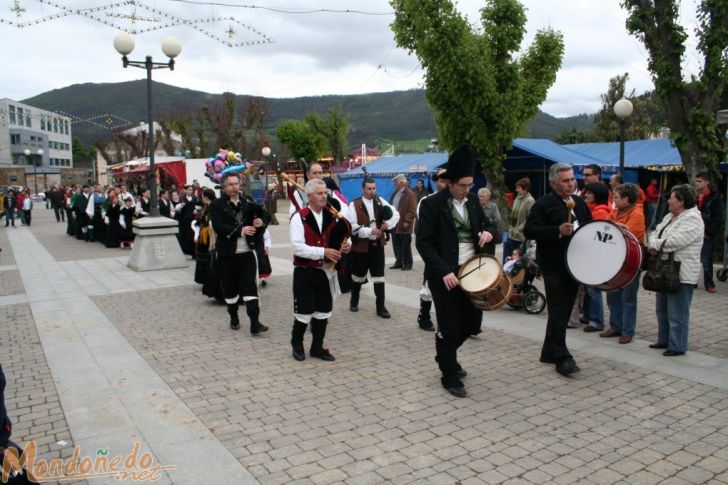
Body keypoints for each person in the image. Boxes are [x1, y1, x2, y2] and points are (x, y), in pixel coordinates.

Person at [416, 146, 500, 398]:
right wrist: (443, 271)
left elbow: (490, 227)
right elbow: (424, 243)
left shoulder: (474, 201)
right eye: (463, 185)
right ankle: (449, 374)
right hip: (446, 277)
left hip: (473, 273)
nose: (468, 190)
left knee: (472, 324)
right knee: (450, 327)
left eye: (471, 185)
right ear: (450, 183)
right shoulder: (431, 205)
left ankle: (445, 353)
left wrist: (489, 233)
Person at [524, 163, 592, 377]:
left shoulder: (579, 203)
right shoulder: (544, 204)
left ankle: (548, 351)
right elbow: (529, 229)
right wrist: (557, 230)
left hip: (574, 265)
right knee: (558, 310)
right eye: (565, 180)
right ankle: (562, 356)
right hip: (553, 266)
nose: (571, 183)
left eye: (573, 179)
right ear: (554, 183)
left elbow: (590, 226)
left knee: (562, 310)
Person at [290, 178, 352, 362]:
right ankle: (297, 343)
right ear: (309, 196)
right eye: (320, 193)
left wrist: (346, 245)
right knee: (304, 312)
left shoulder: (333, 216)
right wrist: (323, 252)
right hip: (305, 271)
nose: (324, 196)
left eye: (325, 192)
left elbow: (344, 236)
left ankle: (317, 347)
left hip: (326, 272)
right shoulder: (299, 217)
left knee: (323, 311)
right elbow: (297, 247)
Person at [210, 172, 271, 335]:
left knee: (250, 288)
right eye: (230, 184)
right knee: (230, 289)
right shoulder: (216, 205)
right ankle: (234, 317)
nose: (234, 187)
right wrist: (240, 230)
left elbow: (266, 214)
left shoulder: (248, 202)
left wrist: (261, 221)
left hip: (247, 254)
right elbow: (219, 227)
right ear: (224, 187)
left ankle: (254, 323)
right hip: (227, 255)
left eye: (236, 184)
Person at [648, 184, 704, 356]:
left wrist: (655, 244)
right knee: (662, 309)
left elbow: (675, 241)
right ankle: (663, 340)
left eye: (672, 197)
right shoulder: (669, 216)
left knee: (677, 312)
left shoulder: (693, 219)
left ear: (681, 201)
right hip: (664, 269)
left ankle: (677, 346)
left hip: (682, 273)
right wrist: (654, 241)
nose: (669, 200)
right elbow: (654, 232)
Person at [347, 178, 400, 318]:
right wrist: (369, 231)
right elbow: (351, 226)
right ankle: (354, 300)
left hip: (377, 245)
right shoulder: (354, 204)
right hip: (360, 246)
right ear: (362, 189)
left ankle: (381, 307)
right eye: (369, 188)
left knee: (379, 277)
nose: (372, 191)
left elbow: (395, 214)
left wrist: (388, 224)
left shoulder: (380, 201)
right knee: (358, 276)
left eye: (374, 188)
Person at [601, 183, 646, 344]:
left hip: (630, 263)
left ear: (626, 199)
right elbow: (604, 228)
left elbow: (629, 236)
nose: (613, 200)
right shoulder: (614, 212)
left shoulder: (637, 214)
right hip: (613, 260)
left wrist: (616, 227)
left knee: (628, 298)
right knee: (612, 295)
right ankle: (615, 326)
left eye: (617, 197)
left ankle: (627, 331)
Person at [415, 168, 448, 332]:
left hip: (454, 252)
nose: (446, 184)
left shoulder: (457, 201)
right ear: (436, 182)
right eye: (442, 180)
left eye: (448, 180)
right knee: (429, 284)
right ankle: (424, 316)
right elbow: (423, 229)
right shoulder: (427, 201)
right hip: (435, 251)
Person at [580, 182, 611, 333]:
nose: (586, 195)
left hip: (595, 255)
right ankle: (588, 315)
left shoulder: (600, 212)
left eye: (590, 193)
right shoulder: (592, 210)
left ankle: (596, 320)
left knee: (593, 289)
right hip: (589, 254)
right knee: (588, 288)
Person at [695, 172, 723, 293]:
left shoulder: (714, 198)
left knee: (707, 260)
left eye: (700, 181)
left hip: (707, 233)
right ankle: (692, 282)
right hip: (694, 232)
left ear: (707, 182)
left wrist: (710, 232)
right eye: (696, 181)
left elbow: (718, 218)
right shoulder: (693, 196)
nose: (697, 183)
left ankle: (709, 284)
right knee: (693, 258)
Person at [389, 174, 417, 271]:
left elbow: (413, 210)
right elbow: (390, 205)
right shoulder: (395, 193)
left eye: (395, 182)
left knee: (405, 245)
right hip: (395, 223)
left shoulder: (410, 193)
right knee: (396, 244)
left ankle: (408, 263)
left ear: (401, 182)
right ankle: (399, 262)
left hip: (404, 223)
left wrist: (407, 220)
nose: (394, 184)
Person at [504, 178, 535, 263]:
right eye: (516, 187)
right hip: (512, 234)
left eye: (518, 188)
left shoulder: (530, 200)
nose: (516, 190)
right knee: (510, 259)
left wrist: (521, 228)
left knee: (518, 261)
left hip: (521, 236)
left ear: (525, 189)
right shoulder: (517, 198)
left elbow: (531, 218)